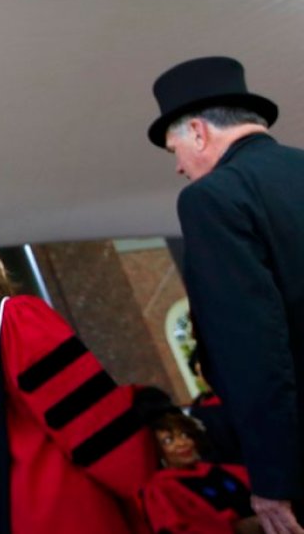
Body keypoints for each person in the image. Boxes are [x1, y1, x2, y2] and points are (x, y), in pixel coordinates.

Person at [148, 56, 304, 534]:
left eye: (174, 149)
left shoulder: (213, 197)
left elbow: (252, 345)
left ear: (198, 131)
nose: (178, 166)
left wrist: (274, 477)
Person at [0, 224, 156, 533]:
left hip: (9, 515)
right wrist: (142, 465)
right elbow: (83, 410)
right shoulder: (17, 318)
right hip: (64, 500)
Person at [139, 410, 261, 534]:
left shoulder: (222, 470)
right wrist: (235, 527)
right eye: (168, 441)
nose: (182, 443)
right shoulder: (160, 489)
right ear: (158, 451)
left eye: (185, 435)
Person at [187, 348, 244, 465]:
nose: (204, 377)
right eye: (198, 373)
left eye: (206, 371)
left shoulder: (243, 397)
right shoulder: (199, 410)